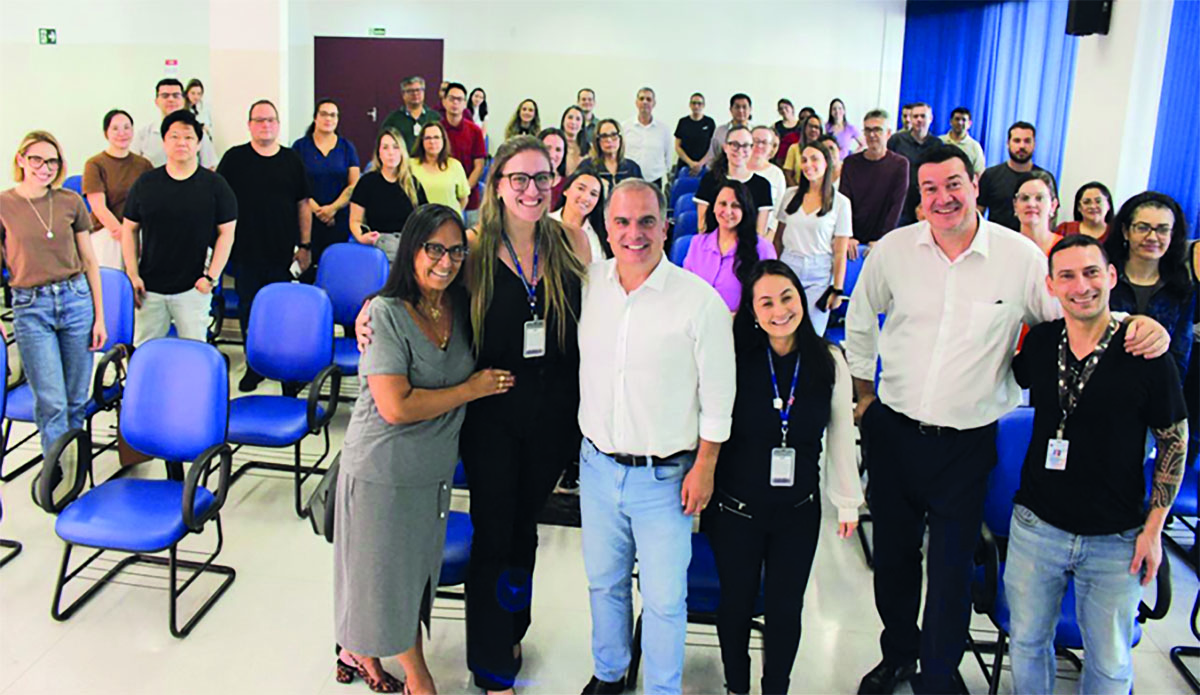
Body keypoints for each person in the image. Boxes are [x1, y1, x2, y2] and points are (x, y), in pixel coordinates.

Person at [844, 145, 1170, 695]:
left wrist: (1131, 322)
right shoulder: (896, 251)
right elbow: (859, 321)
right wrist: (865, 398)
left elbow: (1070, 317)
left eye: (953, 184)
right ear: (918, 196)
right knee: (894, 561)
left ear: (974, 184)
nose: (942, 198)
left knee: (950, 569)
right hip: (894, 432)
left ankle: (939, 673)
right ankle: (897, 652)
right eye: (929, 189)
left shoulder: (1019, 258)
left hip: (967, 444)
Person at [335, 204, 511, 695]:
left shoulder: (458, 303)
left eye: (456, 251)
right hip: (382, 471)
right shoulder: (387, 313)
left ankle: (358, 647)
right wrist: (471, 389)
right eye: (434, 248)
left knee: (406, 576)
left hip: (429, 474)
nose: (446, 260)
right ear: (411, 248)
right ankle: (418, 676)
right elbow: (396, 406)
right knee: (386, 578)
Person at [1007, 234, 1188, 695]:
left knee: (1108, 662)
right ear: (1051, 286)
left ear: (1111, 276)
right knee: (1027, 644)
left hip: (1117, 538)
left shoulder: (1146, 352)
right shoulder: (1043, 343)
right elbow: (1013, 373)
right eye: (1066, 276)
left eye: (1091, 272)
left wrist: (1154, 529)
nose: (1080, 286)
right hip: (1037, 526)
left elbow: (1174, 441)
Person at [578, 179, 735, 695]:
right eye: (622, 222)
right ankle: (610, 672)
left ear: (667, 227)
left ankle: (661, 689)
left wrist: (706, 466)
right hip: (598, 468)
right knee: (606, 583)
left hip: (665, 477)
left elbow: (718, 396)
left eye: (647, 221)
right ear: (607, 227)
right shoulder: (589, 284)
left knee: (666, 600)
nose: (634, 233)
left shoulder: (699, 302)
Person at [459, 136, 590, 693]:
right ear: (498, 185)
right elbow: (416, 297)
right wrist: (372, 308)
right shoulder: (471, 248)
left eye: (542, 178)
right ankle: (490, 663)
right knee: (493, 533)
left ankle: (513, 625)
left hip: (553, 416)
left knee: (524, 532)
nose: (532, 190)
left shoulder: (572, 243)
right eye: (520, 179)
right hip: (492, 411)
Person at [707, 260, 863, 695]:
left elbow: (840, 435)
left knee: (785, 609)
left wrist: (847, 500)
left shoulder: (829, 361)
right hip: (735, 509)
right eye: (766, 302)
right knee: (735, 606)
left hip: (798, 512)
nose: (779, 310)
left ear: (801, 297)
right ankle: (736, 685)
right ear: (752, 312)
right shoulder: (733, 360)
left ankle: (776, 687)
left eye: (787, 297)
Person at [0, 131, 107, 460]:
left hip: (75, 300)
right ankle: (57, 475)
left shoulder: (70, 201)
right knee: (51, 401)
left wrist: (100, 316)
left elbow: (90, 261)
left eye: (52, 161)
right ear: (21, 160)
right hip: (31, 307)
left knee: (76, 399)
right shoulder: (5, 204)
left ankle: (73, 474)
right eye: (37, 160)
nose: (45, 168)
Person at [217, 100, 311, 391]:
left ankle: (286, 372)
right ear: (249, 125)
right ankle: (254, 366)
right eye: (259, 120)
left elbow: (303, 204)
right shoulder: (234, 159)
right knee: (250, 311)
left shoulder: (291, 160)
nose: (265, 125)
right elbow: (219, 202)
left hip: (282, 253)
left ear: (278, 124)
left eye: (270, 120)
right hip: (245, 252)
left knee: (282, 314)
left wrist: (305, 245)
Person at [121, 109, 236, 345]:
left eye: (188, 137)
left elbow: (227, 233)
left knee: (194, 353)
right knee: (145, 351)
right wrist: (132, 275)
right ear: (164, 142)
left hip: (194, 288)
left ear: (198, 143)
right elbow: (129, 229)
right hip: (149, 288)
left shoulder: (215, 185)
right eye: (174, 136)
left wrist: (211, 277)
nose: (181, 143)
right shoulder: (146, 183)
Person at [1103, 191, 1197, 385]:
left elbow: (1180, 356)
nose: (1152, 237)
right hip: (1099, 386)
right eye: (1143, 227)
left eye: (1162, 229)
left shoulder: (1182, 287)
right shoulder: (1102, 278)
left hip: (1155, 392)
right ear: (1125, 231)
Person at [774, 141, 853, 337]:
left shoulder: (841, 203)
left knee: (812, 334)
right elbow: (777, 238)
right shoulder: (790, 195)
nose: (809, 165)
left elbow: (840, 252)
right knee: (784, 331)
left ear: (827, 163)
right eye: (804, 160)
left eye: (815, 159)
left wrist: (837, 289)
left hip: (819, 273)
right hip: (789, 266)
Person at [292, 98, 361, 281]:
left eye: (333, 115)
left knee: (335, 273)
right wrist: (316, 209)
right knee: (306, 272)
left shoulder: (346, 147)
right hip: (307, 219)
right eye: (323, 114)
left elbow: (354, 185)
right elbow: (295, 183)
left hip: (338, 220)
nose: (328, 118)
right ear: (315, 118)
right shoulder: (300, 147)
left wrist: (332, 209)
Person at [683, 180, 777, 312]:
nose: (728, 211)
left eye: (735, 206)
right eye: (722, 204)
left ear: (745, 210)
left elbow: (770, 296)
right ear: (714, 207)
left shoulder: (762, 248)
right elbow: (686, 286)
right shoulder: (697, 243)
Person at [82, 109, 154, 268]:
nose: (122, 133)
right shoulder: (95, 164)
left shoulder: (143, 164)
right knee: (113, 282)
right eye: (115, 128)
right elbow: (99, 208)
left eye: (127, 127)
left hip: (138, 231)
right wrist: (125, 236)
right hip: (108, 231)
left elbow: (152, 203)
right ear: (106, 133)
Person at [350, 128, 427, 260]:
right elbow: (355, 221)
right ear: (379, 153)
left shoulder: (413, 184)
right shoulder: (367, 182)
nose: (391, 153)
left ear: (402, 152)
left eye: (396, 147)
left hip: (407, 245)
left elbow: (424, 220)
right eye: (385, 147)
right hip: (379, 245)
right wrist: (362, 238)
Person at [839, 109, 908, 253]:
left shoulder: (900, 165)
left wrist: (882, 240)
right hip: (852, 241)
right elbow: (844, 202)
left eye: (877, 130)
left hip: (883, 241)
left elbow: (896, 206)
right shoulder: (850, 163)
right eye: (868, 130)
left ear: (888, 133)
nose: (872, 135)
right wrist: (848, 235)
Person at [694, 126, 774, 236]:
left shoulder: (762, 186)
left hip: (747, 249)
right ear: (725, 147)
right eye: (735, 145)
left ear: (751, 149)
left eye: (745, 145)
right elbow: (702, 226)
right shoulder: (710, 179)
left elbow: (759, 233)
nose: (740, 150)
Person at [978, 121, 1054, 231]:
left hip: (1032, 243)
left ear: (1034, 144)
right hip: (997, 240)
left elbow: (1051, 217)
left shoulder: (1045, 179)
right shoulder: (990, 175)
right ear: (1008, 143)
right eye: (1017, 141)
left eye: (1027, 141)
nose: (1022, 146)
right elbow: (978, 212)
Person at [131, 78, 218, 169]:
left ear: (183, 100)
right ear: (156, 101)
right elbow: (132, 165)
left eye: (176, 95)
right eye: (165, 96)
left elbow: (210, 167)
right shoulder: (144, 134)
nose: (171, 99)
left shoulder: (196, 132)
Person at [441, 82, 488, 226]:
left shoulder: (475, 131)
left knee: (471, 242)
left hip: (470, 198)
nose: (455, 103)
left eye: (459, 99)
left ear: (464, 103)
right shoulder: (437, 130)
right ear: (444, 102)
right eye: (451, 98)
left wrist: (464, 190)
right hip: (442, 197)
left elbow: (479, 166)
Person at [886, 102, 938, 226]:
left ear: (930, 119)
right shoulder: (897, 140)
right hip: (900, 201)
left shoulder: (937, 144)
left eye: (923, 116)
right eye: (915, 116)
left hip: (926, 202)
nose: (919, 120)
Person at [550, 170, 609, 264]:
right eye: (581, 188)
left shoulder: (601, 236)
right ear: (566, 190)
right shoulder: (544, 223)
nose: (586, 198)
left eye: (593, 194)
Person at [410, 121, 470, 214]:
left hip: (450, 223)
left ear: (444, 140)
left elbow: (463, 199)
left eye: (436, 137)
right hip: (421, 223)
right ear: (421, 141)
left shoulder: (455, 165)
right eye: (428, 138)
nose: (432, 141)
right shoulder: (411, 165)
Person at [621, 87, 672, 188]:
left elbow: (668, 156)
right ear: (636, 102)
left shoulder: (663, 129)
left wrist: (665, 172)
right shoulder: (625, 126)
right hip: (629, 178)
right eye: (641, 99)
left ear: (654, 103)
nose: (645, 102)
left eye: (648, 99)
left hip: (654, 179)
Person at [576, 119, 643, 196]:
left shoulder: (632, 168)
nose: (609, 140)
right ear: (597, 141)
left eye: (614, 135)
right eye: (604, 136)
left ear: (620, 138)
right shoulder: (587, 166)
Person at [380, 76, 442, 154]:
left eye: (418, 90)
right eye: (410, 91)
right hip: (402, 163)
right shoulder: (392, 120)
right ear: (403, 94)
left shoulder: (435, 117)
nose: (415, 94)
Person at [1014, 171, 1063, 254]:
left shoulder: (1065, 249)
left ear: (1053, 206)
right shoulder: (1005, 246)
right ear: (1015, 206)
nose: (1031, 204)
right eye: (1024, 198)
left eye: (1039, 198)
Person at [748, 126, 786, 223]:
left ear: (771, 147)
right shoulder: (737, 168)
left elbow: (778, 211)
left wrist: (769, 235)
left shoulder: (776, 174)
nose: (759, 145)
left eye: (764, 142)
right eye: (755, 141)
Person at [675, 93, 715, 176]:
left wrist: (700, 164)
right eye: (694, 103)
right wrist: (691, 163)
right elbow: (677, 146)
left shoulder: (709, 122)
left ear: (703, 105)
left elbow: (712, 147)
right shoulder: (683, 122)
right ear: (690, 105)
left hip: (704, 166)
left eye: (699, 103)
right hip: (684, 165)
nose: (696, 106)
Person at [938, 107, 984, 176]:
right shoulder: (939, 142)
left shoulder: (975, 147)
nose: (960, 123)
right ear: (951, 122)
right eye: (957, 119)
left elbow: (979, 173)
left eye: (964, 120)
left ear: (969, 124)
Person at [781, 115, 825, 187]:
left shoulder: (824, 150)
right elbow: (788, 173)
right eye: (810, 126)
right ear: (804, 128)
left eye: (817, 127)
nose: (813, 129)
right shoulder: (794, 148)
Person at [710, 93, 753, 164]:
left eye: (744, 107)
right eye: (737, 107)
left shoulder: (756, 132)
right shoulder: (720, 131)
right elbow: (713, 155)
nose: (741, 110)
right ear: (731, 109)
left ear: (750, 109)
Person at [538, 127, 568, 209]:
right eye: (548, 148)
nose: (552, 154)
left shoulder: (568, 186)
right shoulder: (526, 181)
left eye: (558, 150)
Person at [773, 98, 802, 168]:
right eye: (781, 109)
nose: (783, 110)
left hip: (797, 157)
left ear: (792, 108)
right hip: (781, 159)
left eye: (786, 107)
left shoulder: (801, 124)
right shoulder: (776, 126)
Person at [562, 105, 589, 176]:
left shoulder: (589, 149)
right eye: (570, 118)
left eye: (578, 119)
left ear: (582, 125)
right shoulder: (555, 144)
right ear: (563, 121)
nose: (573, 122)